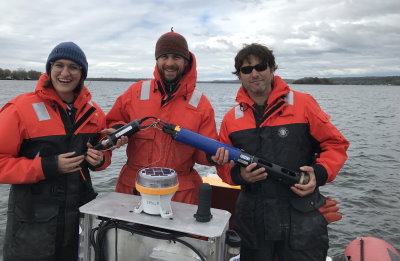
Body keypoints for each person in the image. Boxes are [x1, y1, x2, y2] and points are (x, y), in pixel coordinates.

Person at [216, 43, 350, 261]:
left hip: (301, 216)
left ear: (272, 69)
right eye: (247, 69)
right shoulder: (231, 118)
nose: (255, 73)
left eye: (260, 66)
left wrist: (318, 174)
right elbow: (222, 164)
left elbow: (335, 144)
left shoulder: (304, 104)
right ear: (239, 75)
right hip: (253, 219)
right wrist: (240, 176)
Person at [0, 42, 120, 261]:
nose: (65, 73)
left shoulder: (95, 114)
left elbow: (104, 157)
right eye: (59, 65)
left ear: (82, 73)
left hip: (78, 220)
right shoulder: (19, 108)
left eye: (73, 67)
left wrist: (100, 159)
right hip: (31, 226)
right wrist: (48, 166)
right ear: (49, 69)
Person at [106, 29, 221, 204]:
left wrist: (213, 157)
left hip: (180, 194)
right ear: (157, 60)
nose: (170, 63)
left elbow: (204, 152)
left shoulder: (201, 104)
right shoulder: (135, 92)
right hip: (133, 189)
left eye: (176, 57)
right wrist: (116, 131)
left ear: (186, 61)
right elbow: (113, 121)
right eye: (164, 57)